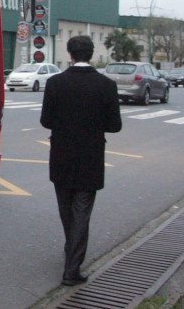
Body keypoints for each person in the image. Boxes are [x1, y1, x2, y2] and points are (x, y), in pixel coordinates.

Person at [40, 35, 122, 286]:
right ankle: (72, 269)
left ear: (71, 55)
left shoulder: (55, 83)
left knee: (66, 209)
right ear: (92, 54)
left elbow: (46, 121)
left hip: (62, 154)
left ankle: (71, 250)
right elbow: (114, 126)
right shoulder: (106, 85)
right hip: (91, 156)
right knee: (82, 211)